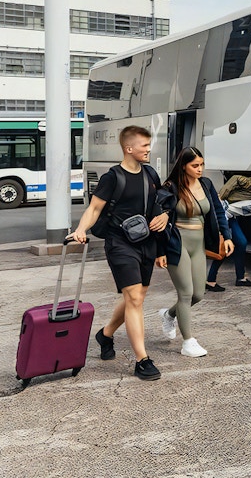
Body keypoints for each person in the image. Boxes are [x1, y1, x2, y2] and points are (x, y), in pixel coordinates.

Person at [67, 125, 169, 381]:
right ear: (129, 148)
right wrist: (80, 230)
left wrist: (165, 217)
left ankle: (106, 334)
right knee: (134, 298)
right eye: (145, 146)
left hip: (146, 241)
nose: (149, 150)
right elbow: (94, 209)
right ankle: (142, 360)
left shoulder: (150, 174)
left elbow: (160, 204)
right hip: (120, 242)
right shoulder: (112, 177)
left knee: (137, 297)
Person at [157, 147, 234, 357]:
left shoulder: (206, 184)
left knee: (198, 294)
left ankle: (169, 314)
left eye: (202, 165)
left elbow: (218, 211)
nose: (200, 169)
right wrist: (160, 251)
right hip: (177, 242)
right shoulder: (170, 188)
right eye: (195, 165)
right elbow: (160, 220)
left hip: (199, 244)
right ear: (184, 166)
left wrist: (227, 236)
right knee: (185, 293)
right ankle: (188, 342)